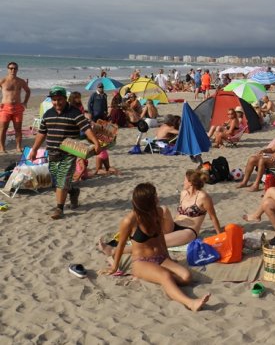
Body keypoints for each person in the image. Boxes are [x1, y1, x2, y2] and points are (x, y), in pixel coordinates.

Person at [102, 183, 210, 311]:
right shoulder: (130, 221)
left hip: (161, 258)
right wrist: (114, 267)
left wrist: (168, 257)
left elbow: (160, 238)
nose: (158, 199)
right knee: (165, 275)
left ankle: (167, 286)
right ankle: (190, 303)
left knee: (186, 277)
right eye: (154, 197)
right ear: (146, 202)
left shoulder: (157, 212)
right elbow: (120, 246)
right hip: (141, 262)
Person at [101, 170, 221, 255]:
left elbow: (213, 217)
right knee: (163, 209)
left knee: (153, 242)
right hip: (173, 225)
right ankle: (129, 236)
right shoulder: (183, 193)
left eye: (184, 180)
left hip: (188, 231)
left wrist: (219, 235)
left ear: (190, 182)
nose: (183, 182)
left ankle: (114, 251)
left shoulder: (204, 197)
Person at [29, 86, 101, 220]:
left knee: (62, 180)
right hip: (52, 153)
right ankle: (73, 190)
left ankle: (59, 208)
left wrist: (96, 143)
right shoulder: (48, 114)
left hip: (68, 153)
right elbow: (41, 133)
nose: (57, 102)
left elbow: (86, 129)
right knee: (57, 182)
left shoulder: (75, 113)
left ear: (65, 99)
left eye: (59, 99)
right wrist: (34, 149)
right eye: (54, 100)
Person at [236, 120, 275, 190]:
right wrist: (264, 150)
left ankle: (256, 184)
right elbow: (272, 149)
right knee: (252, 159)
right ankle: (244, 182)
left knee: (262, 160)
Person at [0, 61, 31, 153]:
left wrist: (25, 102)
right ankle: (2, 147)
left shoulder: (21, 81)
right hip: (5, 108)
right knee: (3, 129)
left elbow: (28, 91)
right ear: (8, 69)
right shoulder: (3, 80)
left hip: (17, 108)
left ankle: (18, 147)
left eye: (15, 68)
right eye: (11, 68)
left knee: (18, 129)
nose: (13, 70)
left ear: (17, 69)